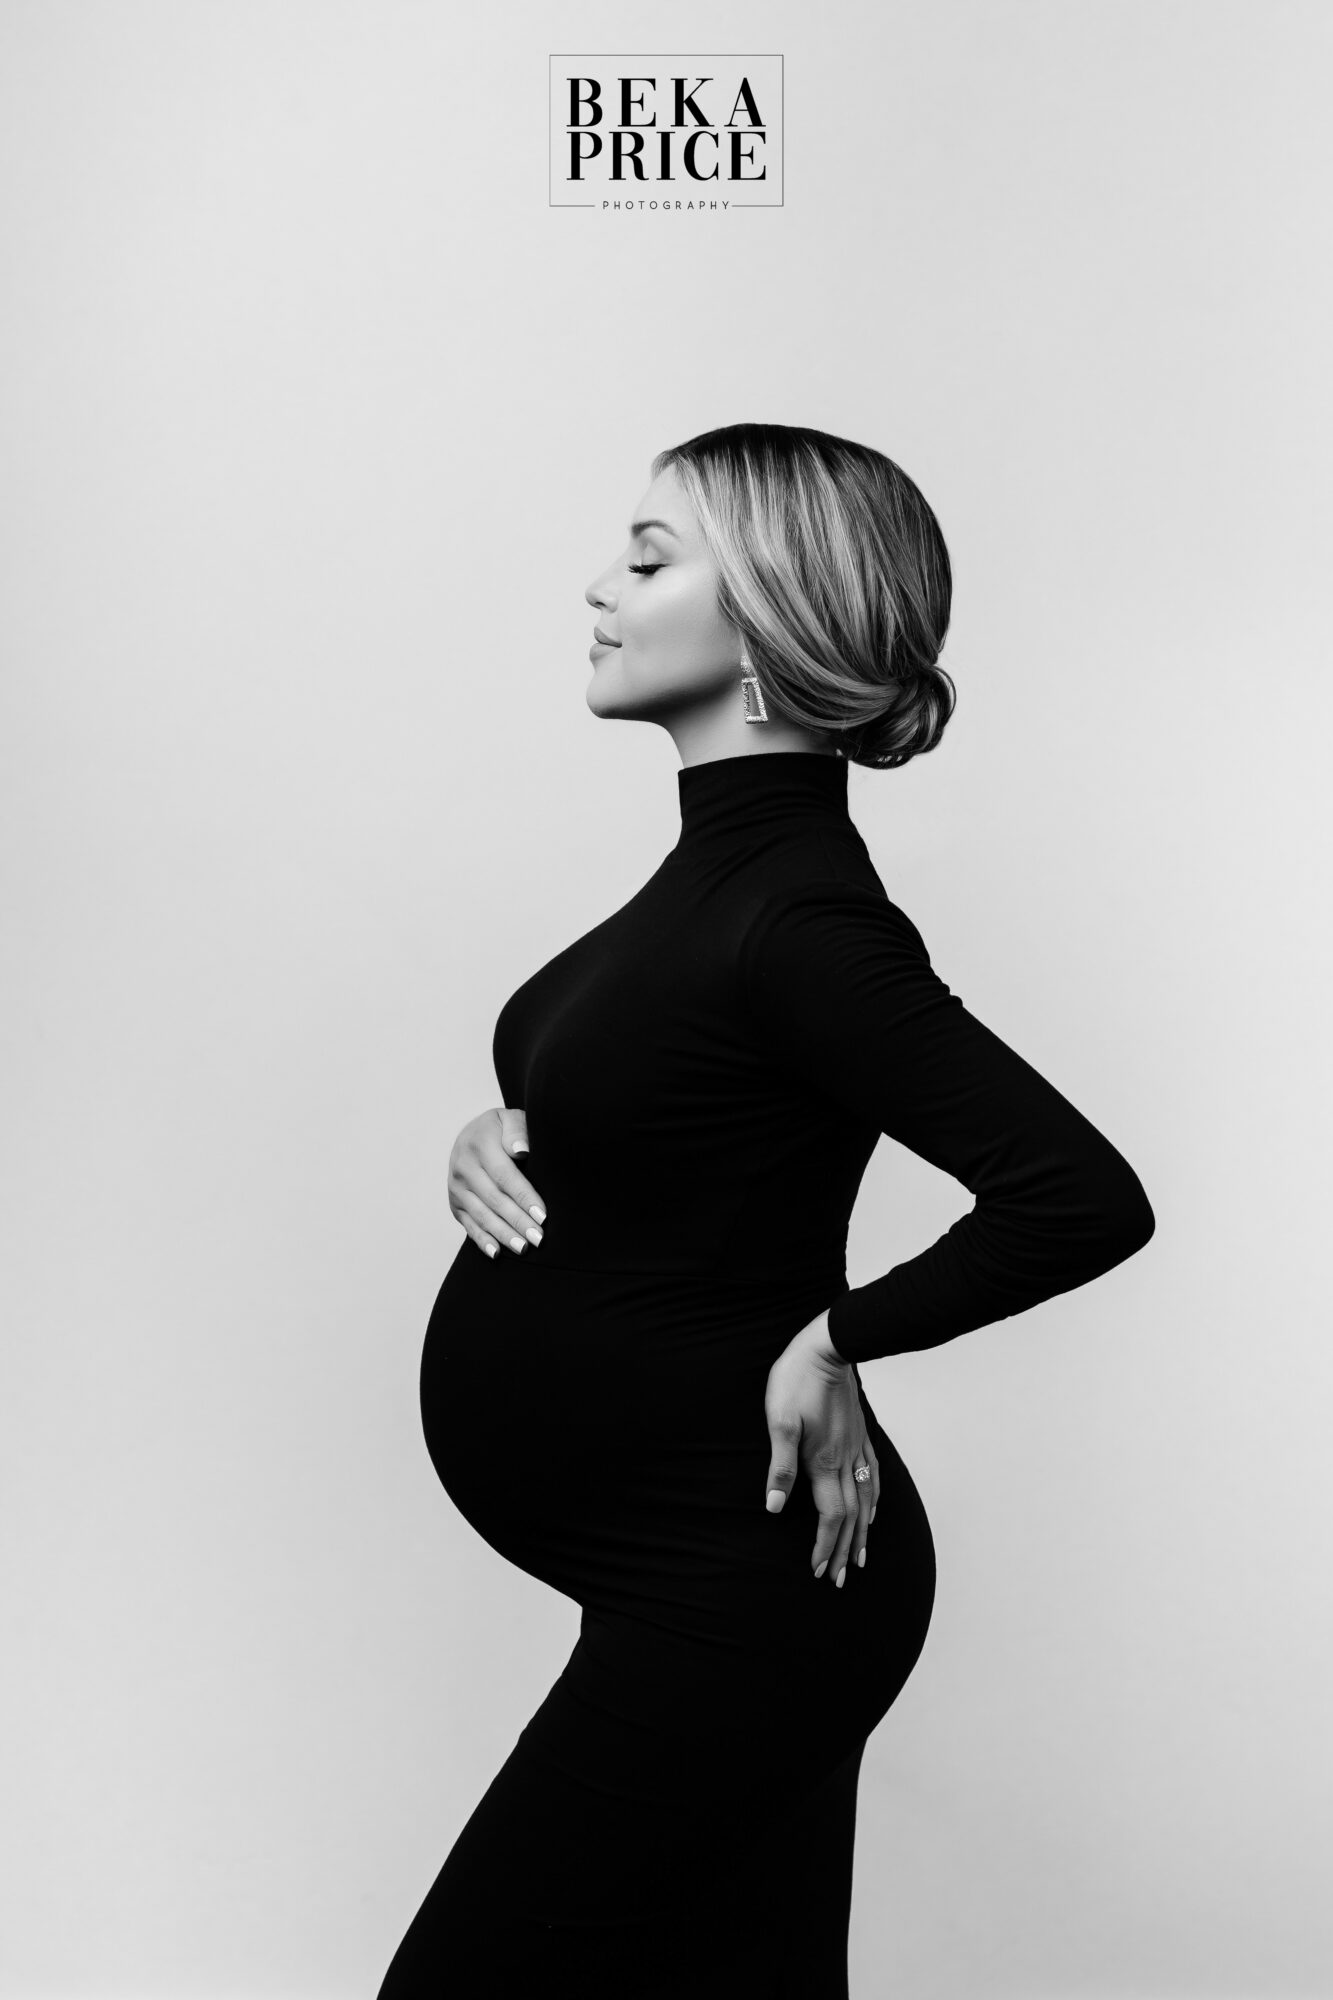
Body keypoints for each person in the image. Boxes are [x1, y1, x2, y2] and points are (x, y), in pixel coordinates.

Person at [375, 422, 1155, 1998]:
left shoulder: (796, 917)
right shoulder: (720, 891)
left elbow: (1076, 1194)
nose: (599, 588)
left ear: (768, 622)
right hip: (713, 1582)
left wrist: (839, 1337)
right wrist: (504, 1131)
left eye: (648, 557)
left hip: (740, 1595)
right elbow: (683, 1112)